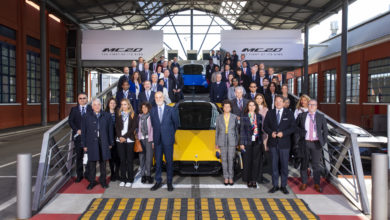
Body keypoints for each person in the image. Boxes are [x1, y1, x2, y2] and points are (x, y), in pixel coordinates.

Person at [263, 95, 296, 194]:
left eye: (280, 101)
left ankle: (284, 185)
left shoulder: (289, 113)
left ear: (283, 102)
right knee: (274, 166)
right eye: (276, 101)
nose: (278, 103)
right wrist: (270, 133)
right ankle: (275, 185)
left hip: (285, 144)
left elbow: (293, 127)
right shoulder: (270, 113)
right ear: (274, 102)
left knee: (284, 166)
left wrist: (284, 133)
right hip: (273, 144)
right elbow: (265, 126)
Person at [296, 99, 328, 193]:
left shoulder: (321, 117)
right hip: (305, 142)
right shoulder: (302, 115)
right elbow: (296, 127)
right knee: (304, 163)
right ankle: (304, 182)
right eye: (310, 104)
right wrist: (300, 136)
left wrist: (323, 141)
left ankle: (317, 184)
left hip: (316, 143)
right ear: (307, 105)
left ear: (316, 106)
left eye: (313, 105)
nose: (311, 106)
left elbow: (325, 131)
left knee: (316, 165)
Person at [81, 98, 114, 190]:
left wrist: (111, 142)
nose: (97, 106)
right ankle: (92, 182)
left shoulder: (107, 116)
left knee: (103, 163)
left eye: (98, 104)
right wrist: (84, 145)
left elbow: (110, 130)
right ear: (92, 106)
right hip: (91, 143)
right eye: (95, 105)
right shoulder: (86, 116)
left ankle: (103, 181)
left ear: (101, 105)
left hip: (103, 142)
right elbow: (84, 132)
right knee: (92, 163)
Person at [150, 91, 179, 192]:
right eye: (156, 97)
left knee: (169, 162)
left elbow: (176, 124)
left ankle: (169, 183)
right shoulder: (152, 111)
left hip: (168, 140)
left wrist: (169, 134)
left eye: (160, 97)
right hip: (157, 140)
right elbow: (153, 126)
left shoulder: (171, 110)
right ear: (155, 99)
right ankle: (158, 181)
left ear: (163, 98)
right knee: (158, 162)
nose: (158, 99)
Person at [69, 93, 92, 183]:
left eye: (84, 98)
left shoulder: (91, 108)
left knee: (90, 156)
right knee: (79, 157)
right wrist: (76, 130)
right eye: (80, 98)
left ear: (87, 99)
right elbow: (71, 121)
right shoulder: (74, 109)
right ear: (78, 100)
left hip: (89, 137)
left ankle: (88, 174)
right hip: (78, 137)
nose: (82, 100)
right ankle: (79, 175)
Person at [240, 100, 263, 188]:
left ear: (255, 107)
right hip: (247, 142)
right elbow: (241, 130)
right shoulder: (244, 116)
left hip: (257, 141)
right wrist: (241, 143)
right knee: (247, 161)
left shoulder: (259, 116)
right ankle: (248, 179)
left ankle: (254, 179)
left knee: (256, 161)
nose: (251, 107)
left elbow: (261, 129)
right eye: (250, 105)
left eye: (253, 105)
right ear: (247, 106)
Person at [215, 100, 239, 186]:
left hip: (232, 140)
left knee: (231, 159)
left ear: (230, 108)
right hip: (221, 140)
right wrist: (216, 143)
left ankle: (231, 177)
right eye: (225, 107)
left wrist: (237, 142)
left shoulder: (234, 117)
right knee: (224, 160)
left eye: (228, 107)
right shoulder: (219, 117)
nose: (226, 108)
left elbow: (236, 131)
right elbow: (217, 131)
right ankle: (226, 177)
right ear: (223, 108)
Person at [115, 99, 138, 187]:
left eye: (125, 104)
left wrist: (124, 137)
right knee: (122, 160)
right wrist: (120, 137)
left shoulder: (133, 115)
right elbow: (116, 127)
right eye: (122, 104)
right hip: (120, 139)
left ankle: (130, 179)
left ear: (128, 105)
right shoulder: (119, 114)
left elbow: (133, 128)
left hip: (129, 140)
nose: (123, 106)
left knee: (129, 160)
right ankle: (123, 178)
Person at [138, 102, 154, 184]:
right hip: (141, 140)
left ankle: (148, 175)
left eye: (145, 107)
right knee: (142, 158)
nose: (144, 109)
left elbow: (154, 129)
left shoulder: (151, 117)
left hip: (149, 139)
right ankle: (143, 175)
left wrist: (153, 141)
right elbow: (138, 129)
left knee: (149, 158)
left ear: (148, 108)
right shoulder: (139, 117)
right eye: (143, 107)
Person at [254, 94, 269, 183]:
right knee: (256, 155)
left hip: (264, 134)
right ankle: (256, 175)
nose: (259, 100)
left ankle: (261, 174)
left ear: (263, 99)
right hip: (255, 134)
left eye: (260, 98)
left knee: (263, 154)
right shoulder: (253, 108)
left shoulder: (266, 109)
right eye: (257, 98)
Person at [105, 98, 120, 182]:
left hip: (117, 136)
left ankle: (117, 172)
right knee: (111, 157)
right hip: (109, 137)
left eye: (114, 103)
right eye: (111, 103)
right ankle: (112, 173)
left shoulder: (119, 112)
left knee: (117, 156)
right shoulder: (105, 113)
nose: (113, 104)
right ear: (108, 104)